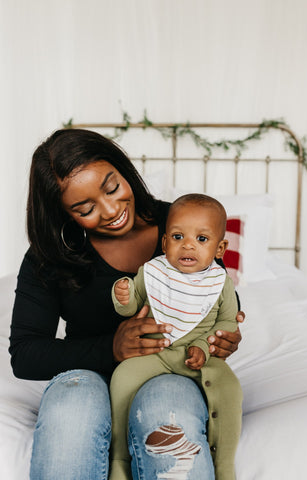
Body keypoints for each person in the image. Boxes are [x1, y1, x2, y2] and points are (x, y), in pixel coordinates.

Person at [9, 129, 244, 480]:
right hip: (86, 373)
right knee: (71, 410)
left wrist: (222, 338)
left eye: (112, 187)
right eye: (84, 208)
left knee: (167, 412)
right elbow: (25, 353)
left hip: (171, 371)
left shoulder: (184, 225)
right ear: (64, 214)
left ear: (123, 170)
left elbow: (217, 298)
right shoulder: (51, 255)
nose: (110, 211)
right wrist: (112, 349)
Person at [110, 194, 242, 480]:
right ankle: (119, 458)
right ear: (165, 243)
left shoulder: (220, 283)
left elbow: (228, 321)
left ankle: (224, 464)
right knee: (122, 377)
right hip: (156, 353)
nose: (189, 245)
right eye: (178, 236)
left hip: (198, 357)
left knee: (231, 390)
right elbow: (134, 305)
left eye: (202, 239)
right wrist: (123, 295)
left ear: (220, 248)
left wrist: (203, 349)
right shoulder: (154, 272)